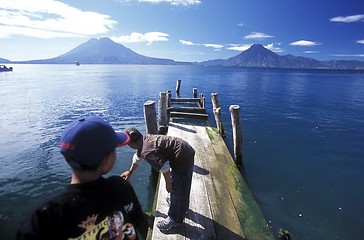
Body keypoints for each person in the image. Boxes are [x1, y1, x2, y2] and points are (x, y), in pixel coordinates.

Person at [17, 116, 147, 240]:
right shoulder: (120, 187)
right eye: (113, 149)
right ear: (107, 160)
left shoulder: (43, 218)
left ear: (67, 158)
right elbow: (140, 223)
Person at [121, 127, 195, 231]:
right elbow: (137, 158)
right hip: (183, 150)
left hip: (182, 157)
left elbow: (164, 168)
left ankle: (175, 219)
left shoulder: (147, 151)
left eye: (128, 144)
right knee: (180, 188)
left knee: (178, 189)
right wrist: (130, 172)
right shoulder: (144, 140)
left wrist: (168, 183)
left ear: (132, 144)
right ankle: (181, 205)